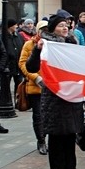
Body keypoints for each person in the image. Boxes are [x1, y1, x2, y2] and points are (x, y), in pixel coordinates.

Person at [26, 15, 84, 169]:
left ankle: (70, 168)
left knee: (70, 132)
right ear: (52, 29)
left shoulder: (72, 43)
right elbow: (31, 67)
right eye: (60, 26)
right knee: (57, 133)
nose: (65, 28)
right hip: (54, 95)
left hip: (72, 92)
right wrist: (37, 50)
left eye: (66, 25)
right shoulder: (45, 45)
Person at [19, 20, 49, 155]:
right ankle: (41, 140)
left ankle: (46, 136)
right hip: (35, 86)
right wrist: (35, 77)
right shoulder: (29, 44)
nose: (45, 32)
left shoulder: (53, 44)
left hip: (51, 86)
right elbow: (23, 64)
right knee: (38, 115)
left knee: (48, 115)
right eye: (43, 29)